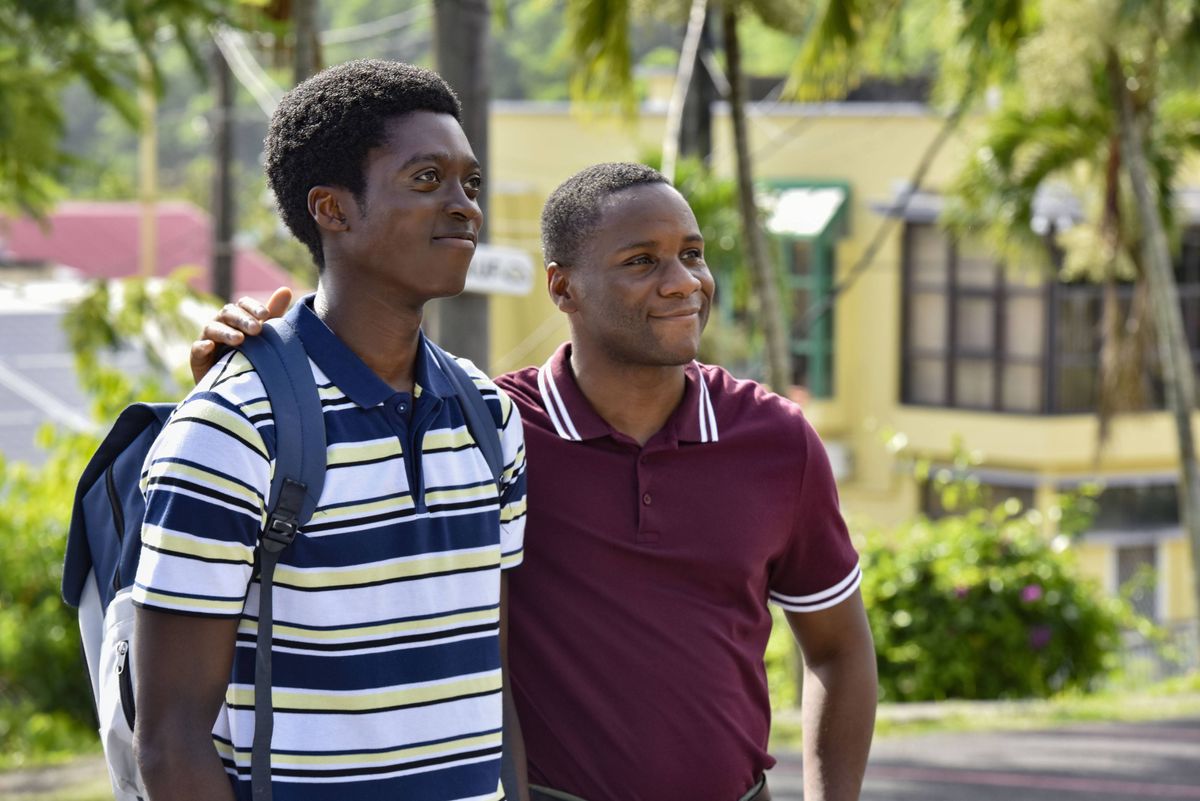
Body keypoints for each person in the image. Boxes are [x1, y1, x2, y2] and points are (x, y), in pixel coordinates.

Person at [195, 163, 876, 801]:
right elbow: (345, 470)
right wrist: (254, 368)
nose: (683, 281)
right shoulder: (484, 429)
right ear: (562, 288)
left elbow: (838, 649)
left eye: (692, 254)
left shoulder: (777, 442)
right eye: (642, 261)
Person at [135, 60, 528, 801]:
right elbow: (171, 742)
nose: (464, 206)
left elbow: (489, 682)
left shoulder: (489, 417)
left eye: (470, 183)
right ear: (332, 209)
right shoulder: (231, 429)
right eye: (426, 179)